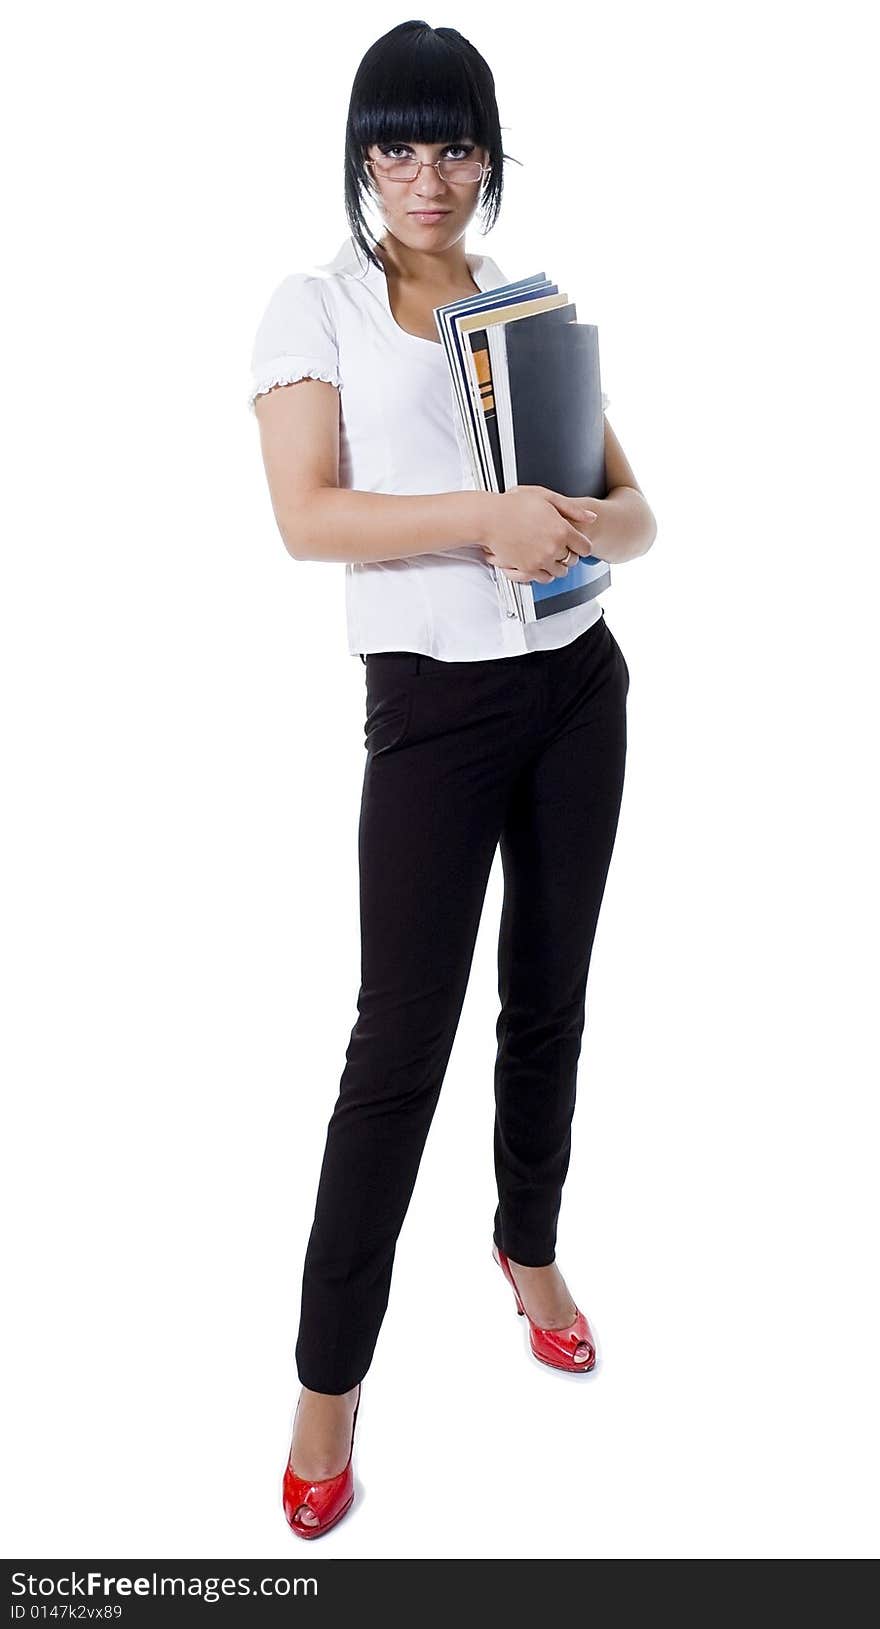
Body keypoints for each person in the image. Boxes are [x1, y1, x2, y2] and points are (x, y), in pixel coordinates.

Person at [248, 20, 656, 1540]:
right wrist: (490, 518)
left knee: (550, 993)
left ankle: (528, 1245)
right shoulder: (318, 307)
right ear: (364, 160)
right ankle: (326, 1389)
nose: (430, 178)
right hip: (431, 713)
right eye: (399, 148)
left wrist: (582, 529)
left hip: (577, 692)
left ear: (493, 157)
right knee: (395, 1050)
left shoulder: (523, 301)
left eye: (458, 146)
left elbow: (637, 514)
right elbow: (306, 516)